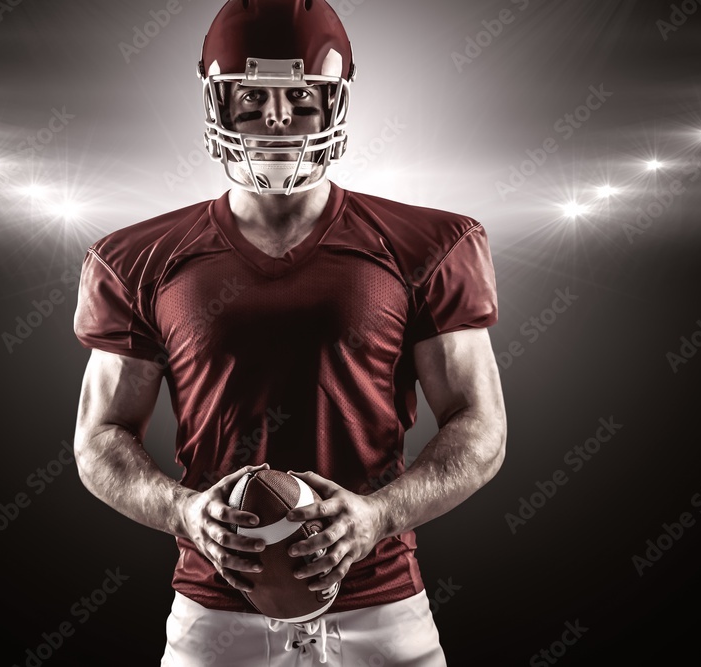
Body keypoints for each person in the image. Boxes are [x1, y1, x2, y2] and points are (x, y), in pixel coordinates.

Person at [72, 1, 507, 664]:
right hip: (215, 618)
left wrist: (377, 517)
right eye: (252, 97)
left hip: (382, 611)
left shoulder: (427, 247)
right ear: (217, 102)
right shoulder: (141, 259)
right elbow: (100, 436)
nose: (276, 118)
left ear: (336, 102)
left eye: (299, 96)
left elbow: (481, 424)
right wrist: (184, 512)